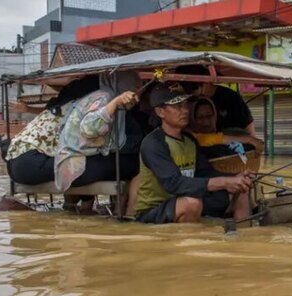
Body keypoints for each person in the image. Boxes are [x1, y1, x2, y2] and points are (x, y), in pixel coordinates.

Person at [133, 83, 254, 224]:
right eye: (177, 105)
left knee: (243, 187)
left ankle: (242, 236)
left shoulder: (189, 141)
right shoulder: (153, 143)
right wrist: (224, 182)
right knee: (192, 204)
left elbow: (205, 172)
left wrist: (235, 178)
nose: (184, 110)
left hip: (187, 199)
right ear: (160, 112)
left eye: (185, 105)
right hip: (155, 210)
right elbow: (174, 183)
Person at [54, 72, 143, 194]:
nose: (137, 90)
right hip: (75, 166)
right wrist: (116, 102)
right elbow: (89, 129)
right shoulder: (104, 98)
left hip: (82, 161)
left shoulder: (108, 97)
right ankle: (125, 209)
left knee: (130, 159)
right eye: (135, 85)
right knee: (139, 166)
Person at [3, 76, 99, 185]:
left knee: (74, 161)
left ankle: (76, 201)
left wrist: (27, 109)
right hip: (31, 163)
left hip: (13, 162)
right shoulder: (81, 107)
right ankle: (84, 200)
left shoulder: (58, 108)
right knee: (94, 166)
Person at [189, 97, 264, 154]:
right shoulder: (192, 139)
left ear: (215, 116)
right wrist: (250, 139)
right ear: (193, 120)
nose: (205, 122)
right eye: (200, 117)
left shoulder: (228, 133)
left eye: (209, 116)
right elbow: (218, 139)